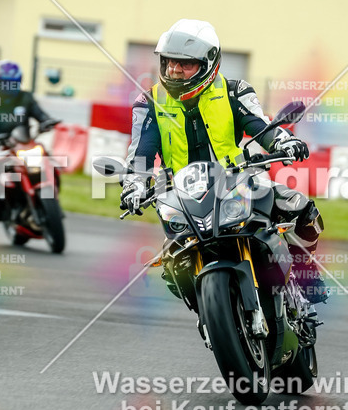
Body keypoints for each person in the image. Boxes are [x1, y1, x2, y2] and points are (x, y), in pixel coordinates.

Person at [122, 19, 327, 303]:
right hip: (184, 197)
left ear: (207, 64)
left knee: (302, 210)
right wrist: (134, 184)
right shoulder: (149, 103)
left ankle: (306, 279)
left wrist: (283, 141)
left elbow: (260, 126)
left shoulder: (233, 91)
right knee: (172, 269)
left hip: (238, 183)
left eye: (185, 64)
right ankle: (212, 315)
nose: (174, 70)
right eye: (169, 62)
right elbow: (140, 154)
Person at [0, 60, 57, 222]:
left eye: (13, 83)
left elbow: (40, 114)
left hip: (23, 142)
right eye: (5, 83)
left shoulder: (25, 98)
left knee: (48, 160)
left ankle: (52, 195)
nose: (9, 87)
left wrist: (46, 121)